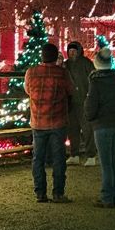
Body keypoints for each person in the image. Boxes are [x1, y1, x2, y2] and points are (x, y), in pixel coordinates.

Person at [24, 43, 73, 204]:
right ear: (55, 56)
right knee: (59, 158)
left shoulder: (31, 72)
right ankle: (58, 193)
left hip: (38, 122)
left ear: (42, 56)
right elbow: (71, 91)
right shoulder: (62, 74)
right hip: (58, 121)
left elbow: (28, 90)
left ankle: (40, 193)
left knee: (38, 158)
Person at [86, 48, 115, 208]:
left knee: (106, 163)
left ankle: (107, 197)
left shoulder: (95, 82)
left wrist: (89, 116)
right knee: (113, 162)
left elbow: (91, 107)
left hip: (102, 125)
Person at [64, 41, 95, 166]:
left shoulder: (86, 63)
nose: (72, 53)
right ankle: (74, 154)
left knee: (87, 129)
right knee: (72, 129)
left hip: (84, 101)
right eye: (70, 51)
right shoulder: (66, 65)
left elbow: (93, 79)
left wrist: (91, 96)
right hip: (71, 102)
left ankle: (91, 155)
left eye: (74, 51)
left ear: (79, 51)